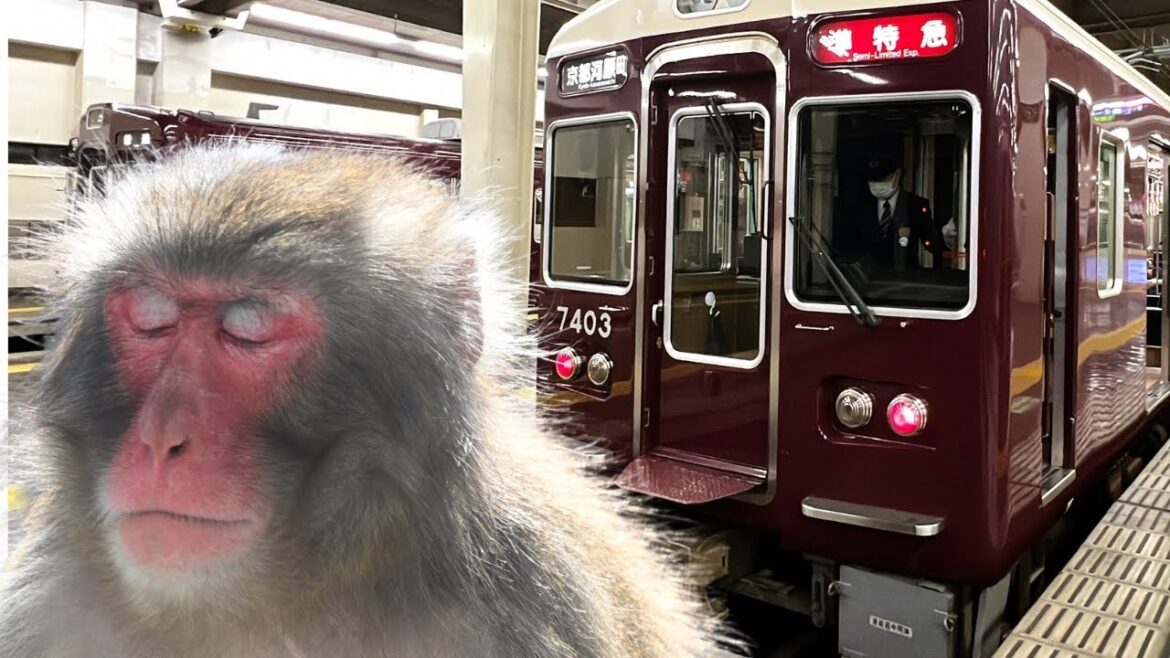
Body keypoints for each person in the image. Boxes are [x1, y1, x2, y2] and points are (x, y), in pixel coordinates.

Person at [834, 154, 943, 270]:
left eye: (884, 179)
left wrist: (944, 236)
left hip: (905, 277)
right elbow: (846, 245)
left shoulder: (916, 205)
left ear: (897, 175)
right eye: (873, 180)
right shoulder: (859, 206)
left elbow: (932, 244)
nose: (878, 185)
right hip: (867, 277)